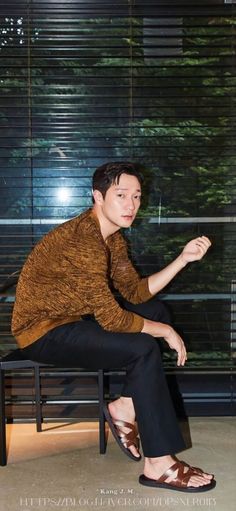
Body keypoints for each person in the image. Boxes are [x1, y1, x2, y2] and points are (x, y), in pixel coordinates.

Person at [11, 161, 216, 492]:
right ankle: (158, 463)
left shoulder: (112, 238)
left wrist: (182, 259)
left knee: (156, 310)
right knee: (144, 345)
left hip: (74, 317)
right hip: (42, 330)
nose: (131, 205)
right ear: (98, 196)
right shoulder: (83, 241)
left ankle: (124, 406)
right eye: (121, 195)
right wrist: (163, 333)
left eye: (136, 196)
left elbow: (135, 292)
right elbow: (112, 318)